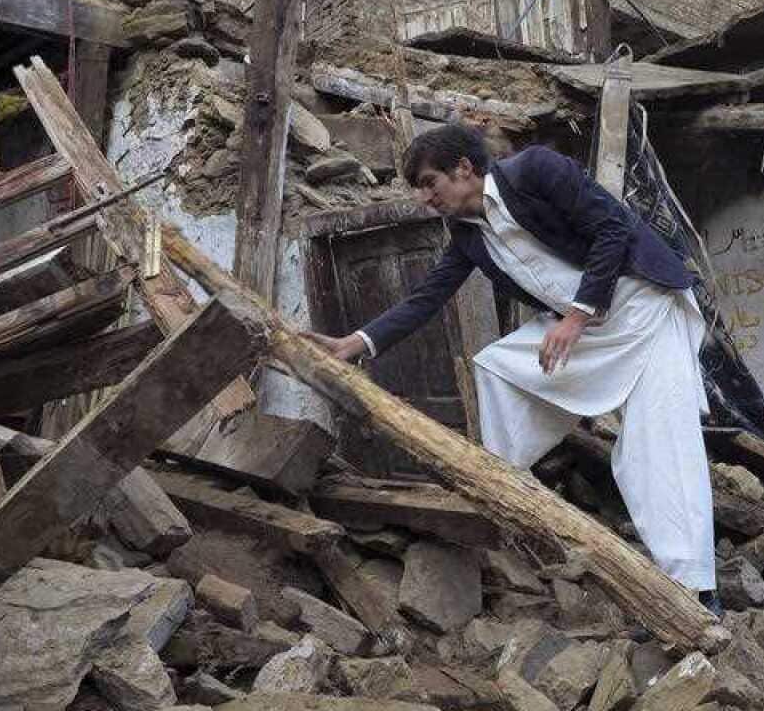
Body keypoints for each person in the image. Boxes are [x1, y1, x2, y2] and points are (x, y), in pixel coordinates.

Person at [306, 124, 721, 615]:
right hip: (587, 329)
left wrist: (576, 314)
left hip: (646, 308)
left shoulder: (537, 170)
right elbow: (427, 298)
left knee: (656, 447)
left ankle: (694, 591)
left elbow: (615, 228)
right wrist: (355, 343)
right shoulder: (468, 236)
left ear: (464, 168)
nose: (424, 199)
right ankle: (505, 490)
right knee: (499, 367)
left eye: (428, 182)